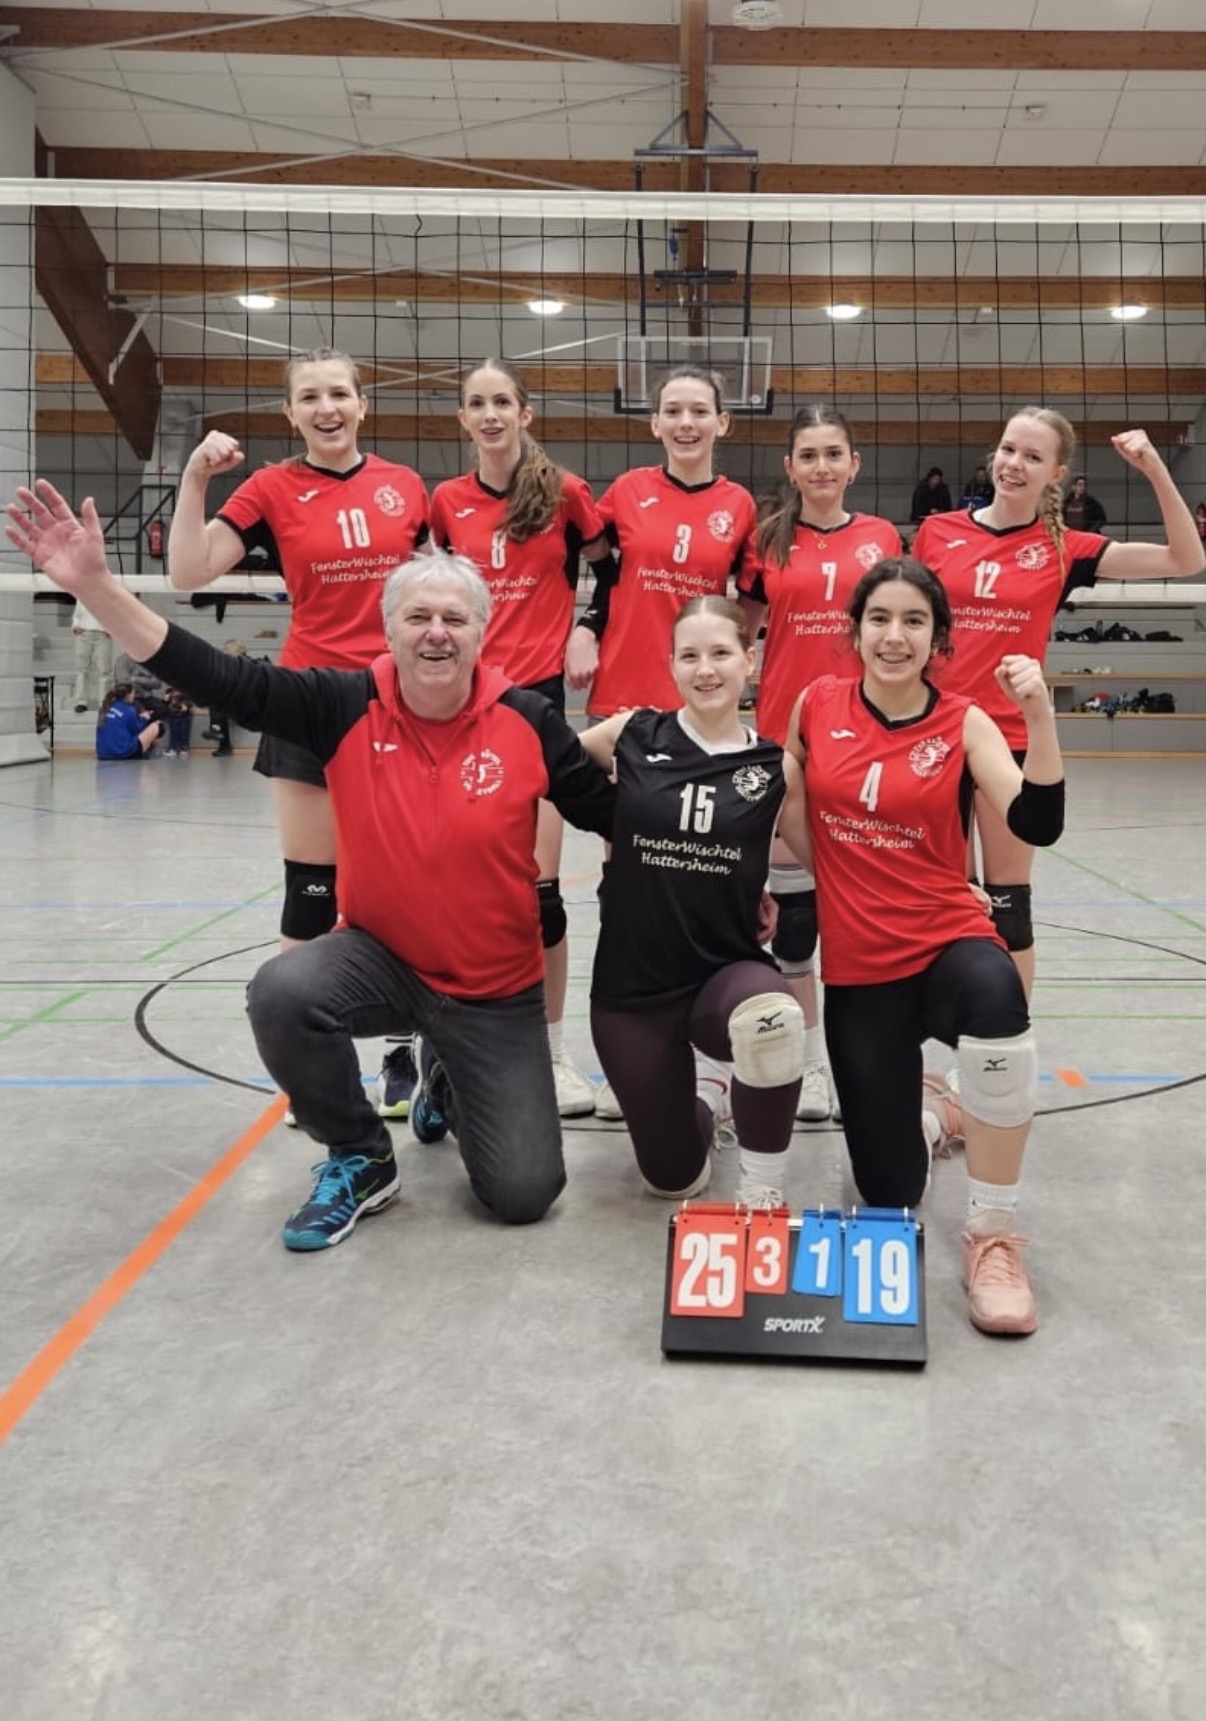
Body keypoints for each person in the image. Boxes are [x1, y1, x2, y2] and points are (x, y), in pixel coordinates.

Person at [7, 481, 616, 1254]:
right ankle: (361, 1153)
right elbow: (217, 676)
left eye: (454, 618)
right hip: (381, 962)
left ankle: (445, 1074)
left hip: (493, 990)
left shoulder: (529, 722)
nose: (436, 633)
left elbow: (616, 816)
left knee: (524, 1193)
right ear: (388, 630)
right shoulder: (342, 704)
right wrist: (97, 587)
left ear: (481, 632)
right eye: (417, 617)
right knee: (283, 990)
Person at [786, 557, 1066, 1336]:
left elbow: (1038, 822)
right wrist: (826, 881)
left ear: (938, 637)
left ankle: (993, 1234)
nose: (895, 635)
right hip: (861, 968)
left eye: (914, 621)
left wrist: (1040, 716)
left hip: (946, 941)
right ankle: (938, 1118)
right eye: (879, 618)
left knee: (996, 991)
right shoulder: (815, 705)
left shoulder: (965, 721)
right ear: (854, 630)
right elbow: (782, 801)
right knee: (888, 1191)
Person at [913, 411, 1203, 996]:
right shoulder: (938, 532)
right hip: (934, 736)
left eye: (1032, 456)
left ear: (1056, 474)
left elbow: (1186, 560)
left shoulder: (1064, 547)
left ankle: (1010, 1037)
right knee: (946, 907)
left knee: (1008, 908)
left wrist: (1154, 468)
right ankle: (944, 1034)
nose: (1013, 464)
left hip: (1009, 742)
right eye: (1008, 449)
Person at [167, 347, 430, 963]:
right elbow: (187, 571)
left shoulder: (405, 486)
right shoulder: (270, 489)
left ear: (362, 405)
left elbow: (436, 595)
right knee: (311, 892)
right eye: (309, 397)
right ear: (290, 413)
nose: (326, 408)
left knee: (408, 883)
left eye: (338, 393)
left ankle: (402, 1021)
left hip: (397, 698)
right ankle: (303, 1021)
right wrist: (195, 478)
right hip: (307, 698)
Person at [425, 358, 617, 1118]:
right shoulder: (446, 502)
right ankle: (445, 1052)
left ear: (525, 414)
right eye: (477, 403)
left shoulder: (565, 493)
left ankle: (553, 1054)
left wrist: (585, 626)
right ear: (463, 420)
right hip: (458, 704)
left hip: (535, 703)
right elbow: (433, 593)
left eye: (502, 401)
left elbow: (611, 571)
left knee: (541, 897)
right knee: (449, 888)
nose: (490, 414)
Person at [569, 364, 758, 1120]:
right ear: (654, 424)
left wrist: (739, 669)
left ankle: (711, 1067)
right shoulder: (625, 493)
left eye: (699, 411)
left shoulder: (739, 505)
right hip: (627, 703)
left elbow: (750, 605)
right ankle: (642, 1055)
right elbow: (598, 574)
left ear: (722, 423)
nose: (686, 423)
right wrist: (585, 627)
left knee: (705, 880)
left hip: (703, 710)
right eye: (672, 411)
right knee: (630, 885)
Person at [580, 596, 807, 1207]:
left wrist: (944, 888)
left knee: (771, 1020)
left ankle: (762, 1194)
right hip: (633, 990)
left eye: (721, 653)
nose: (705, 670)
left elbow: (832, 865)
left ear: (749, 660)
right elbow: (551, 773)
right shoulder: (631, 734)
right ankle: (709, 1092)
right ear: (672, 665)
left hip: (724, 974)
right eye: (689, 656)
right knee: (673, 1180)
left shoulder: (774, 766)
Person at [737, 404, 902, 1124]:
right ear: (791, 467)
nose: (822, 467)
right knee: (795, 918)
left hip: (867, 742)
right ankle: (806, 1064)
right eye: (808, 455)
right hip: (788, 740)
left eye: (834, 453)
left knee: (864, 915)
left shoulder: (882, 538)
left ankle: (863, 1062)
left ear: (854, 464)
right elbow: (742, 630)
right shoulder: (768, 539)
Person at [94, 681, 163, 760]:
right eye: (133, 693)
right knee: (158, 725)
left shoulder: (105, 707)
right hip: (123, 753)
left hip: (103, 754)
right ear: (128, 695)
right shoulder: (129, 709)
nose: (134, 696)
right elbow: (137, 730)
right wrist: (144, 718)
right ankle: (150, 752)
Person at [71, 597, 112, 713]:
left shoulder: (107, 594)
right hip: (84, 633)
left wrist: (112, 628)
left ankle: (104, 702)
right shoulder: (83, 594)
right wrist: (75, 625)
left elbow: (114, 612)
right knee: (82, 669)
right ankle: (81, 702)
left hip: (103, 634)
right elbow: (77, 614)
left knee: (105, 670)